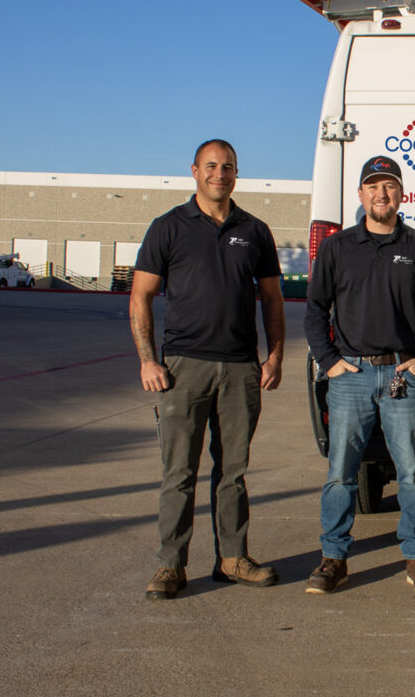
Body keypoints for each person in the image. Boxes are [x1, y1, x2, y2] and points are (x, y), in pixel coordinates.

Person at [130, 139, 286, 600]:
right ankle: (170, 566)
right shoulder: (168, 228)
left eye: (229, 167)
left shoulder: (254, 230)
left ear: (237, 175)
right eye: (212, 166)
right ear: (194, 171)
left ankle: (232, 558)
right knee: (179, 472)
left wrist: (274, 355)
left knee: (233, 472)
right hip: (183, 368)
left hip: (240, 369)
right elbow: (140, 296)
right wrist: (147, 361)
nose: (221, 173)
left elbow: (273, 299)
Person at [303, 155, 415, 595]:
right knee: (340, 473)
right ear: (361, 195)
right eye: (373, 187)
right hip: (349, 375)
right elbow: (314, 310)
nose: (381, 195)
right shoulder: (337, 248)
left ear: (401, 193)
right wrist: (328, 360)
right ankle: (333, 558)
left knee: (411, 472)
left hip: (402, 376)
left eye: (389, 186)